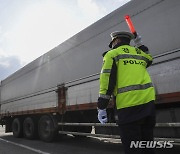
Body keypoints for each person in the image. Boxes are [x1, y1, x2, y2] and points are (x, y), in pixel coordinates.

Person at [97, 31, 156, 154]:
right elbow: (149, 59)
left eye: (112, 42)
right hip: (148, 105)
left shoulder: (112, 54)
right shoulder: (139, 53)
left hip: (128, 108)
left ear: (117, 41)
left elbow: (107, 81)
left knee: (133, 148)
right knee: (148, 145)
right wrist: (140, 44)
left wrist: (101, 107)